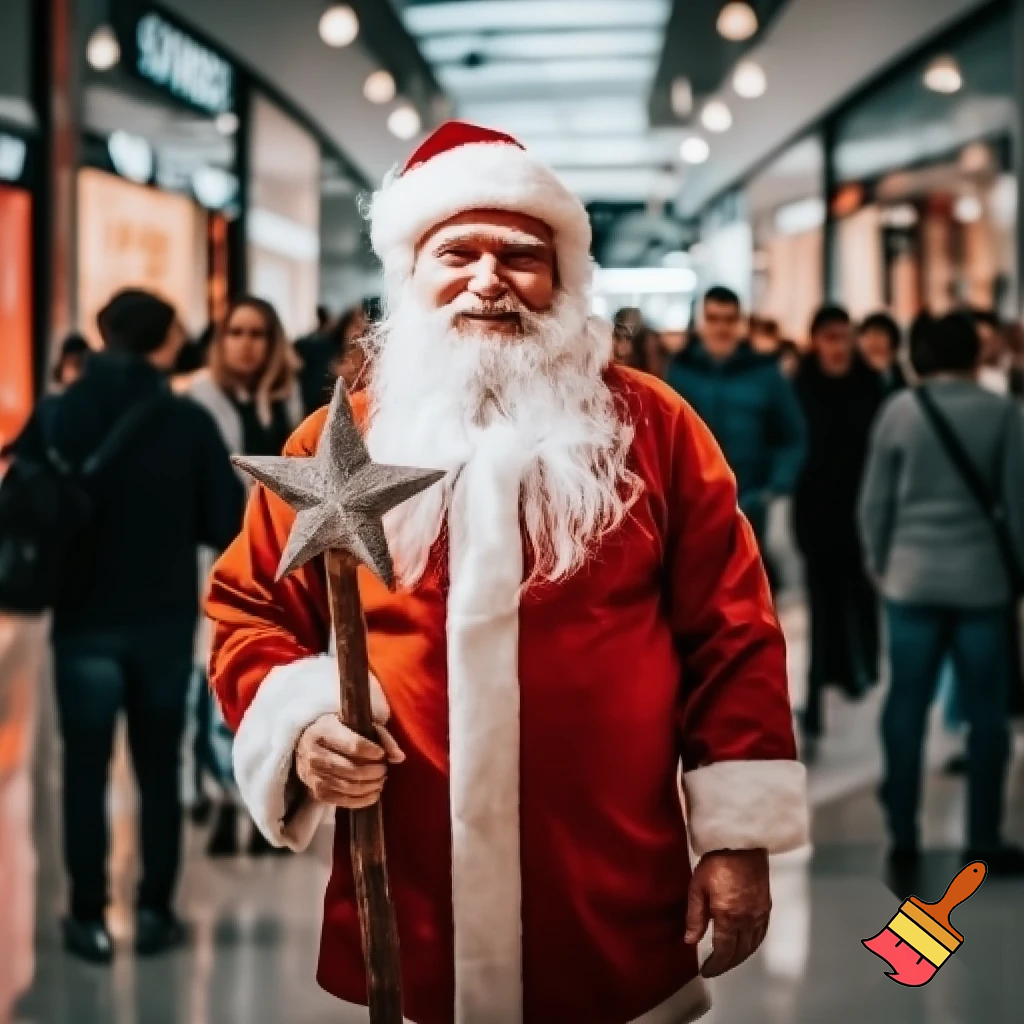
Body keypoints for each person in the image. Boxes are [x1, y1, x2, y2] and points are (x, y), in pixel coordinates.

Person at [206, 121, 809, 1024]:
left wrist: (736, 837)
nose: (488, 280)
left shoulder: (654, 429)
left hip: (607, 873)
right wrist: (300, 727)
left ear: (563, 279)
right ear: (412, 275)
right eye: (458, 253)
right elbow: (250, 609)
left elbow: (731, 633)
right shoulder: (337, 447)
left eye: (521, 256)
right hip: (412, 880)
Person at [10, 288, 245, 963]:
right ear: (165, 341)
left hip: (82, 621)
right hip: (162, 624)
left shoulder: (58, 413)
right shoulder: (186, 422)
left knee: (84, 772)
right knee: (157, 770)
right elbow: (223, 523)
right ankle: (153, 912)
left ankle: (86, 917)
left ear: (104, 333)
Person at [859, 312, 1024, 874]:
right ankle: (983, 838)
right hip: (982, 585)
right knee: (987, 716)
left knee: (906, 707)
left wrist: (882, 565)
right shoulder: (1003, 413)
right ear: (976, 355)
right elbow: (1017, 506)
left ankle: (904, 836)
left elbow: (875, 503)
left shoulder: (899, 411)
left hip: (911, 581)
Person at [187, 296, 303, 856]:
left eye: (258, 333)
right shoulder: (199, 400)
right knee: (217, 685)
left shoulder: (289, 399)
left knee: (274, 677)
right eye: (236, 332)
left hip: (284, 559)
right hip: (219, 557)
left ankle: (265, 798)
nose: (247, 344)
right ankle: (225, 798)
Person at [793, 304, 886, 754]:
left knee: (863, 601)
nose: (838, 346)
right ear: (815, 341)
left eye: (844, 336)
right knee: (821, 605)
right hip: (816, 515)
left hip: (863, 513)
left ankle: (858, 676)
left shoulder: (871, 385)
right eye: (829, 337)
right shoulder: (799, 387)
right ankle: (818, 693)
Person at [665, 286, 806, 556]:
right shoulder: (681, 372)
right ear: (702, 323)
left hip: (754, 501)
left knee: (766, 569)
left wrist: (776, 488)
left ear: (740, 323)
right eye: (714, 319)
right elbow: (667, 437)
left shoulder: (765, 374)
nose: (721, 328)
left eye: (729, 320)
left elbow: (792, 437)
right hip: (697, 504)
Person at [858, 312, 907, 393]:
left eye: (878, 334)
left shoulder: (902, 371)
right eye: (867, 335)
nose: (873, 341)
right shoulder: (855, 374)